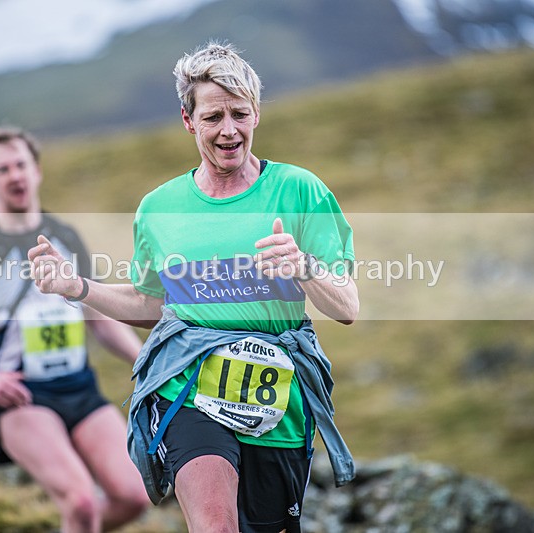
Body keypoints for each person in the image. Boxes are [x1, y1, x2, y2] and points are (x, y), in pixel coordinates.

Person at [28, 42, 359, 533]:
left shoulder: (300, 190)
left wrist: (304, 265)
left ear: (257, 113)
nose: (229, 130)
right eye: (213, 117)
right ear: (188, 120)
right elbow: (151, 303)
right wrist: (78, 287)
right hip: (189, 390)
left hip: (278, 406)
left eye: (240, 114)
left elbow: (348, 305)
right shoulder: (159, 209)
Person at [0, 126, 149, 533]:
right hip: (20, 398)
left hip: (80, 389)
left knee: (134, 496)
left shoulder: (65, 237)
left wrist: (146, 360)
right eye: (3, 168)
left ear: (37, 170)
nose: (15, 175)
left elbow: (98, 319)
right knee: (80, 502)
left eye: (21, 164)